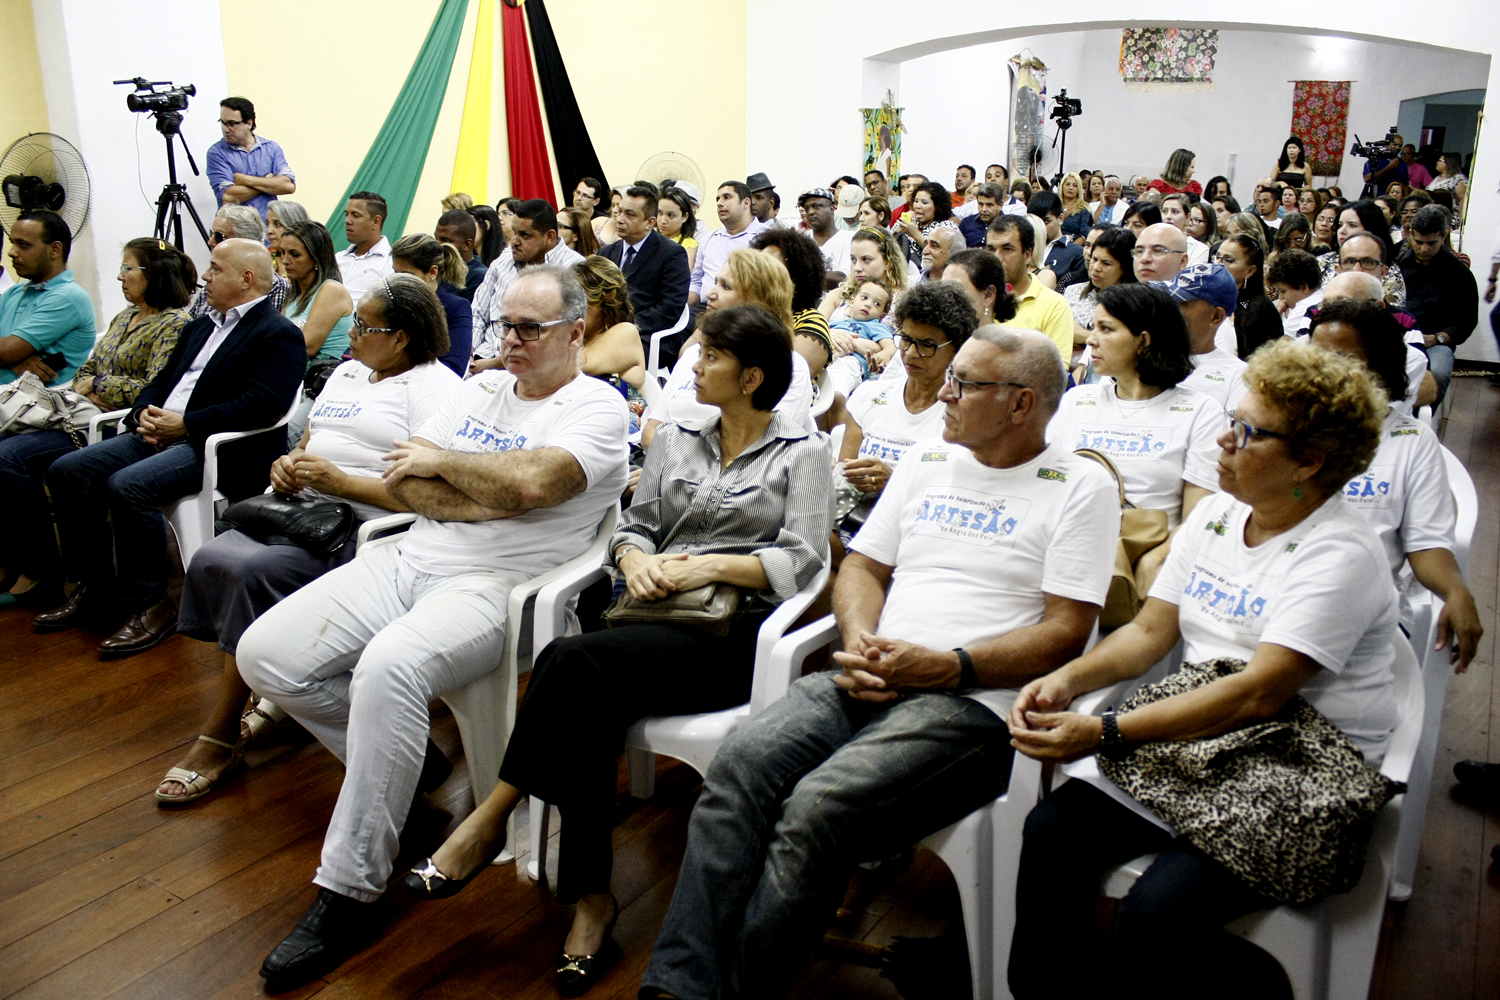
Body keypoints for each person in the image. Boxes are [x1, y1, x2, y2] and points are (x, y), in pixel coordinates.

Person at [640, 325, 1119, 1000]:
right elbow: (864, 565)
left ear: (1021, 404)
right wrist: (862, 639)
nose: (943, 394)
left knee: (819, 807)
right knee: (739, 766)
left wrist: (949, 666)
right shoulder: (928, 461)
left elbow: (1067, 632)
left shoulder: (1077, 485)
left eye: (966, 384)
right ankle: (679, 987)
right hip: (871, 672)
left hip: (971, 703)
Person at [403, 303, 829, 996]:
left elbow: (806, 561)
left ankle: (493, 821)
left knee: (568, 665)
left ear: (752, 376)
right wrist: (634, 563)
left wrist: (709, 566)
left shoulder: (801, 453)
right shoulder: (679, 437)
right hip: (647, 613)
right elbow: (637, 526)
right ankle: (588, 899)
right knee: (585, 699)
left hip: (732, 636)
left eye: (711, 358)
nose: (693, 366)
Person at [242, 265, 629, 990]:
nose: (508, 340)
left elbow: (532, 485)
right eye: (503, 325)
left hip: (500, 589)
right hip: (407, 555)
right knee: (266, 656)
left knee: (389, 666)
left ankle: (347, 891)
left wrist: (454, 467)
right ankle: (408, 762)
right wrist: (483, 489)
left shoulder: (597, 409)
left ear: (576, 331)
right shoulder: (479, 388)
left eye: (529, 329)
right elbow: (404, 485)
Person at [1008, 339, 1399, 1000]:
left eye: (1249, 432)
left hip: (1294, 761)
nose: (1224, 440)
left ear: (1310, 459)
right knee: (1052, 835)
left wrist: (1105, 731)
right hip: (1204, 739)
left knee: (1158, 913)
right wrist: (1069, 681)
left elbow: (1258, 694)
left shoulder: (1341, 553)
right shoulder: (1220, 513)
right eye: (1231, 419)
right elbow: (1150, 631)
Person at [156, 274, 459, 804]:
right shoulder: (347, 375)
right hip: (302, 512)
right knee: (215, 557)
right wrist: (288, 466)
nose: (352, 334)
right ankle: (277, 693)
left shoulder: (435, 392)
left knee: (251, 572)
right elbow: (312, 443)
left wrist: (340, 483)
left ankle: (221, 732)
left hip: (365, 531)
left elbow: (422, 499)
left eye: (364, 326)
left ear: (402, 337)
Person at [37, 239, 306, 655]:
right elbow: (162, 381)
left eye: (215, 268)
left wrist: (186, 424)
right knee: (66, 471)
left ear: (246, 279)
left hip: (213, 445)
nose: (205, 276)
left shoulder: (278, 333)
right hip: (161, 430)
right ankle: (97, 586)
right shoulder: (201, 325)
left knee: (129, 486)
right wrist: (144, 410)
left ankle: (151, 605)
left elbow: (264, 405)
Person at [0, 238, 194, 606]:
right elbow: (86, 369)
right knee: (13, 454)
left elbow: (155, 384)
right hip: (84, 414)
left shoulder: (175, 324)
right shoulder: (125, 316)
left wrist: (100, 384)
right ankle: (63, 574)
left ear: (153, 274)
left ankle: (44, 571)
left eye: (127, 269)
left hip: (113, 425)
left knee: (13, 458)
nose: (120, 277)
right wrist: (92, 383)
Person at [1305, 297, 1481, 658]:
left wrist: (1456, 590)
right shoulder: (1285, 429)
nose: (1325, 371)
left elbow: (1427, 543)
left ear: (1379, 365)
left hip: (1364, 606)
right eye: (1315, 358)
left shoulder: (1410, 442)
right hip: (1275, 589)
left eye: (1344, 360)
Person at [1051, 282, 1222, 591]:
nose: (1091, 339)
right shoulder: (1078, 400)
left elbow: (1200, 516)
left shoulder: (1200, 411)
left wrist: (1156, 560)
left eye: (1106, 329)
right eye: (1093, 327)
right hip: (1069, 552)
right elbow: (1049, 486)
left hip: (1146, 563)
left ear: (1143, 341)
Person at [833, 282, 988, 547]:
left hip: (913, 539)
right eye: (906, 339)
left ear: (957, 348)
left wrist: (894, 483)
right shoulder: (870, 396)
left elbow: (958, 505)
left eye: (927, 345)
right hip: (845, 529)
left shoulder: (965, 417)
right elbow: (842, 477)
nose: (911, 353)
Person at [645, 249, 814, 449]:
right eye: (716, 282)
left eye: (725, 287)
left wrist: (676, 468)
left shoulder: (790, 366)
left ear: (757, 301)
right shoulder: (693, 355)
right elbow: (651, 430)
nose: (710, 294)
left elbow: (765, 448)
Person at [471, 199, 585, 371]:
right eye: (515, 232)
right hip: (482, 359)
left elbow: (561, 335)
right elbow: (477, 314)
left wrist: (493, 364)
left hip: (536, 366)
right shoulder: (503, 261)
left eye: (525, 235)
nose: (515, 241)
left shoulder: (574, 268)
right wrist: (469, 354)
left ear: (550, 236)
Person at [598, 185, 691, 367]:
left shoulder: (671, 254)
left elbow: (670, 308)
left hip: (648, 335)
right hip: (606, 330)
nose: (620, 219)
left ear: (650, 222)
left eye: (630, 215)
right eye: (620, 212)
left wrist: (625, 327)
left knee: (608, 358)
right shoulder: (606, 254)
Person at [0, 210, 95, 388]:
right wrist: (16, 363)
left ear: (55, 249)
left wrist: (9, 357)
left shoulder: (68, 296)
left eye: (23, 245)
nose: (12, 252)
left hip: (32, 409)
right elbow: (7, 354)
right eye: (13, 243)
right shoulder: (14, 292)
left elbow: (6, 352)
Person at [1398, 205, 1475, 404]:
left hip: (1434, 341)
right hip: (1398, 336)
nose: (1424, 249)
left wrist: (1436, 338)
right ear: (1411, 235)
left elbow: (1466, 322)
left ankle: (1421, 419)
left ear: (1444, 235)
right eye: (1419, 242)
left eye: (1431, 243)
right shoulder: (1397, 265)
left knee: (1438, 373)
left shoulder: (1459, 274)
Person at [1164, 263, 1251, 415]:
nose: (1170, 309)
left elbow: (1232, 435)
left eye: (1182, 303)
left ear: (1216, 316)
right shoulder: (1142, 355)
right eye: (1169, 299)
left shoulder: (1238, 374)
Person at [752, 227, 834, 383]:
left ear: (795, 279)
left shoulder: (811, 321)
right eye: (757, 267)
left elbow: (782, 381)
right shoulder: (744, 313)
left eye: (770, 269)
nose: (759, 275)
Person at [988, 215, 1074, 362]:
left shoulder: (1054, 306)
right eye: (991, 249)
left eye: (1007, 249)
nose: (997, 258)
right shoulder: (976, 297)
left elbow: (1055, 374)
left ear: (1027, 255)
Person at [391, 233, 473, 377]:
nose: (399, 281)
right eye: (395, 273)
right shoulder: (390, 304)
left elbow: (454, 368)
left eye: (407, 275)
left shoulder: (456, 308)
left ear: (432, 272)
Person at [190, 207, 291, 319]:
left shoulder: (275, 285)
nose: (210, 241)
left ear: (244, 240)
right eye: (211, 234)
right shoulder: (212, 280)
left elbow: (262, 330)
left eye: (219, 236)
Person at [206, 96, 295, 219]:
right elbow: (228, 196)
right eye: (223, 123)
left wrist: (245, 180)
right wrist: (268, 182)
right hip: (235, 230)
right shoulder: (216, 153)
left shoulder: (271, 148)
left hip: (267, 228)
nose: (226, 129)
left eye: (232, 123)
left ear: (249, 123)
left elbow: (288, 186)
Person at [279, 222, 354, 366]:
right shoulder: (293, 294)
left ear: (316, 258)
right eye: (282, 252)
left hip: (321, 380)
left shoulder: (331, 290)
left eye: (295, 254)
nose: (285, 260)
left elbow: (306, 347)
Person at [572, 255, 646, 394]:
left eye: (581, 303)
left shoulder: (626, 331)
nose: (572, 310)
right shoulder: (580, 337)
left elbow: (580, 365)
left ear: (606, 302)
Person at [689, 181, 768, 308]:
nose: (719, 203)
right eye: (718, 199)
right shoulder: (709, 239)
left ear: (746, 203)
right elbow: (696, 282)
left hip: (744, 311)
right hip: (703, 308)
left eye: (727, 197)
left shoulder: (766, 238)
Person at [1065, 227, 1137, 353]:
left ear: (1124, 268)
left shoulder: (1134, 304)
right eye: (1094, 259)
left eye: (1106, 263)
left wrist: (1083, 335)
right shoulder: (1072, 291)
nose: (1096, 267)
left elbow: (1128, 346)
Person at [1215, 234, 1282, 360]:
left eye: (1228, 260)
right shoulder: (1201, 297)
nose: (1218, 264)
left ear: (1249, 271)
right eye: (1217, 257)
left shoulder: (1261, 308)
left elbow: (1270, 361)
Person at [333, 192, 394, 306]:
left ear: (376, 221)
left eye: (355, 215)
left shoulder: (389, 263)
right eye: (347, 214)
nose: (347, 220)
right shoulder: (337, 258)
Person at [942, 248, 1016, 330]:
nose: (945, 298)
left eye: (957, 290)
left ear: (988, 294)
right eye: (943, 289)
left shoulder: (1006, 342)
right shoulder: (936, 340)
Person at [893, 181, 955, 269]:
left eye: (924, 203)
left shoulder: (946, 226)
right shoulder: (908, 220)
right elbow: (886, 244)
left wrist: (915, 234)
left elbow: (943, 254)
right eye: (916, 201)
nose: (918, 206)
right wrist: (898, 231)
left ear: (937, 206)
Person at [1265, 248, 1324, 338]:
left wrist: (1272, 316)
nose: (1281, 297)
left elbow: (1281, 344)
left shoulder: (1306, 306)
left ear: (1303, 287)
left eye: (1283, 291)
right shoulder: (1320, 296)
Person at [435, 207, 489, 301]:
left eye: (445, 240)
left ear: (467, 245)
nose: (437, 245)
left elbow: (470, 314)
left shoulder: (479, 276)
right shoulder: (436, 268)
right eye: (436, 238)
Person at [800, 188, 855, 276]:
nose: (810, 212)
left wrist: (806, 278)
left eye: (816, 206)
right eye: (807, 209)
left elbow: (843, 277)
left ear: (832, 209)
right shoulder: (801, 240)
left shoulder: (849, 238)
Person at [1029, 192, 1086, 277]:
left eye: (1046, 221)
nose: (1040, 227)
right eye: (1036, 222)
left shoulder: (1077, 254)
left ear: (1060, 219)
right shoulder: (1024, 250)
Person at [656, 186, 700, 275]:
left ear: (685, 217)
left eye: (671, 215)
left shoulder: (689, 246)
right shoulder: (650, 238)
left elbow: (681, 275)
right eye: (660, 213)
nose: (663, 220)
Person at [1160, 193, 1210, 265]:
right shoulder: (1151, 242)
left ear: (1188, 217)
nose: (1168, 216)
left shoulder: (1200, 249)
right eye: (1165, 211)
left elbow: (1192, 275)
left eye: (1175, 211)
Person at [266, 200, 309, 278]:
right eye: (267, 224)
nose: (269, 231)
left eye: (277, 224)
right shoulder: (265, 261)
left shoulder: (309, 262)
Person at [960, 182, 1004, 247]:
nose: (984, 209)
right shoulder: (966, 223)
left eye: (989, 205)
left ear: (1000, 205)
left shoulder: (1009, 226)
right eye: (980, 204)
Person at [1428, 154, 1468, 218]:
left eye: (1440, 160)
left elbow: (1462, 199)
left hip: (1449, 216)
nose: (1437, 162)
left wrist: (1461, 220)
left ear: (1448, 163)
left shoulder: (1458, 179)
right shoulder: (1437, 178)